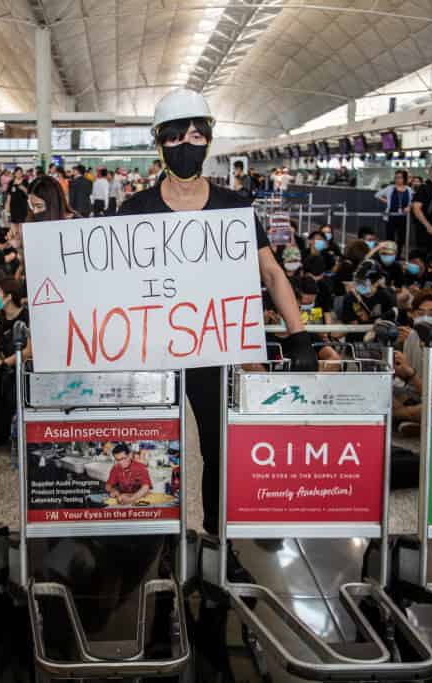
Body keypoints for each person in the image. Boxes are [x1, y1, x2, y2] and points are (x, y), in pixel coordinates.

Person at [117, 88, 316, 539]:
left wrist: (299, 333)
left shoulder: (233, 208)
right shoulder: (134, 210)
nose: (187, 145)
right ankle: (148, 536)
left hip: (212, 350)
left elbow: (270, 270)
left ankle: (213, 535)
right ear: (159, 143)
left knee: (217, 446)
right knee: (145, 446)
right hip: (152, 352)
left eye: (196, 134)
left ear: (208, 139)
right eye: (176, 137)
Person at [375, 169, 412, 249]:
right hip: (391, 216)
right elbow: (377, 195)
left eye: (400, 177)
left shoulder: (408, 189)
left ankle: (398, 255)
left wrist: (408, 207)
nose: (397, 180)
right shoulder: (390, 188)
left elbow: (411, 201)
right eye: (396, 178)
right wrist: (387, 201)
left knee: (401, 237)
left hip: (403, 217)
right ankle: (389, 254)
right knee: (389, 237)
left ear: (404, 179)